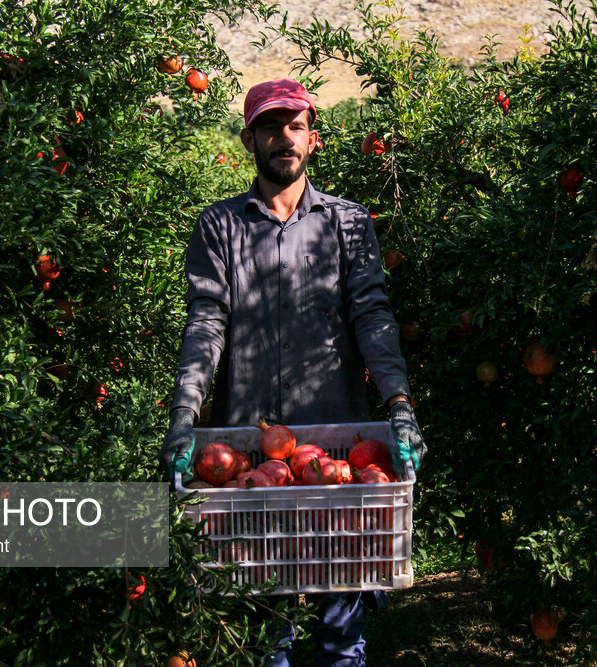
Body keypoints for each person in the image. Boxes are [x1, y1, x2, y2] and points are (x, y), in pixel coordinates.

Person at [160, 78, 426, 667]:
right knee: (264, 632)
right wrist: (184, 416)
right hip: (250, 460)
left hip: (339, 460)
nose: (285, 136)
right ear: (250, 137)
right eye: (271, 125)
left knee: (340, 630)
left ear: (313, 138)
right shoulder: (219, 227)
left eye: (296, 125)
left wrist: (400, 409)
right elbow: (206, 323)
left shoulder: (349, 223)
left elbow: (373, 317)